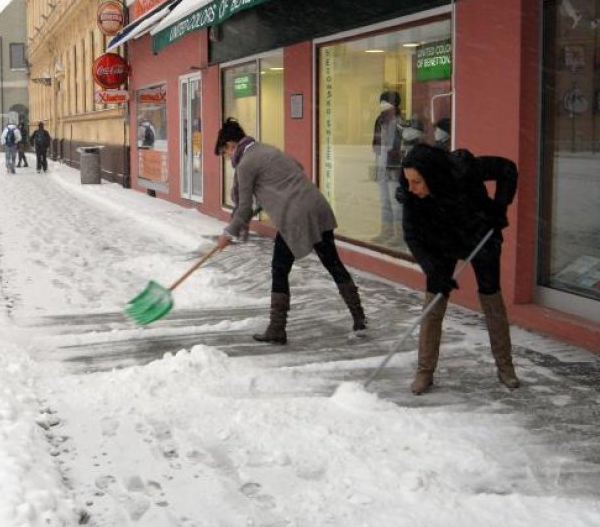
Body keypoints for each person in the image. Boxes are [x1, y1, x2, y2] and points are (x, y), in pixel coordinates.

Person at [214, 118, 367, 344]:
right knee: (332, 262)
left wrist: (229, 233)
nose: (228, 158)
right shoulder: (267, 149)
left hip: (295, 215)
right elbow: (297, 167)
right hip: (316, 205)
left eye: (226, 152)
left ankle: (277, 328)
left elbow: (244, 208)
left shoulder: (245, 164)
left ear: (231, 144)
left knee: (279, 267)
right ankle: (359, 317)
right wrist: (271, 194)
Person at [397, 142, 520, 394]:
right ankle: (424, 371)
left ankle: (505, 368)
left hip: (479, 235)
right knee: (434, 301)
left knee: (491, 296)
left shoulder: (463, 169)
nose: (412, 188)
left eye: (417, 181)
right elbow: (412, 235)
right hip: (441, 242)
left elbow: (507, 169)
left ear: (433, 175)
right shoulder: (411, 193)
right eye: (408, 181)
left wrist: (499, 207)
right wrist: (433, 269)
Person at [372, 91, 403, 244]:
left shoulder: (400, 121)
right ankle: (386, 230)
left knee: (395, 200)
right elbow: (376, 143)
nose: (382, 105)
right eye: (381, 102)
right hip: (381, 162)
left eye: (385, 102)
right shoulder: (380, 120)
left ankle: (400, 233)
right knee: (384, 199)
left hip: (394, 164)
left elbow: (400, 146)